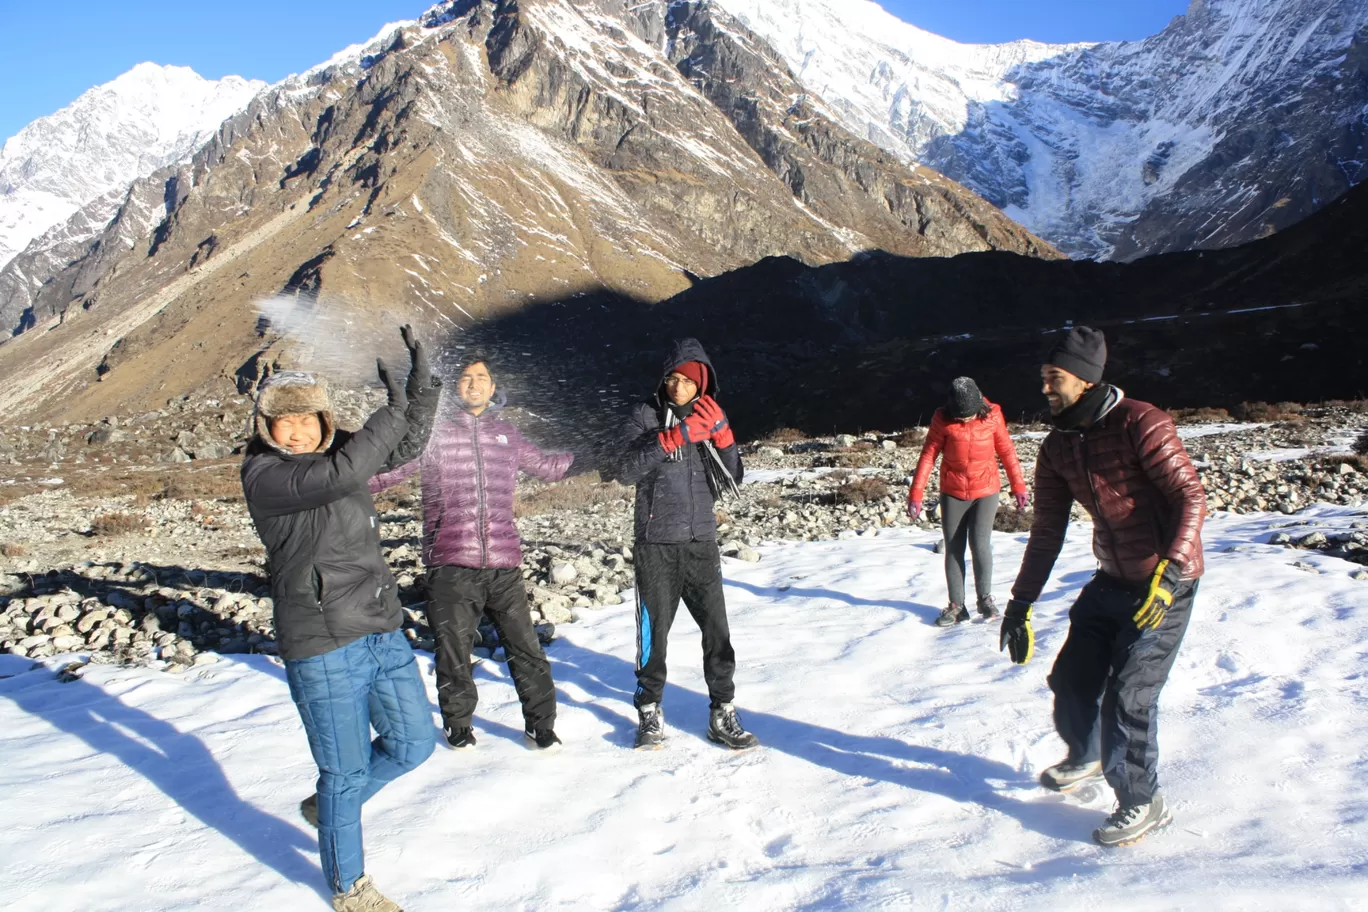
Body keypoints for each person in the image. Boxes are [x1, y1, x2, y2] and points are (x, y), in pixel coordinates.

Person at [240, 327, 440, 912]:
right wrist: (390, 411)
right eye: (286, 420)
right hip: (322, 643)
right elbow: (346, 476)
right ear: (266, 427)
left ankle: (327, 808)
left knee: (413, 744)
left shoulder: (338, 449)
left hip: (380, 625)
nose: (298, 430)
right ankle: (349, 887)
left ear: (325, 419)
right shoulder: (265, 475)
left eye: (309, 418)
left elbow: (399, 450)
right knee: (345, 771)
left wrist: (419, 398)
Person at [998, 326, 1205, 848]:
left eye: (1055, 378)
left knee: (1130, 694)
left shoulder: (1142, 422)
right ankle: (1086, 754)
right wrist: (1020, 601)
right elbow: (1047, 531)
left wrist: (1172, 571)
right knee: (1071, 677)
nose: (1045, 388)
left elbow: (1190, 496)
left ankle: (1142, 800)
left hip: (1164, 586)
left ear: (1086, 381)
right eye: (1043, 377)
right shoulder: (1057, 446)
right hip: (1111, 578)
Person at [370, 355, 572, 752]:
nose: (474, 383)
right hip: (450, 563)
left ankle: (541, 725)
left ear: (493, 388)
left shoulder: (508, 436)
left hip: (504, 564)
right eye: (465, 377)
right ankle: (458, 725)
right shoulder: (434, 434)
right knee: (453, 651)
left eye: (482, 377)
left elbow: (549, 467)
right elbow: (390, 474)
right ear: (454, 387)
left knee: (526, 648)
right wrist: (340, 479)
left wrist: (600, 450)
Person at [616, 338, 756, 751]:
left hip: (701, 542)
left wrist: (725, 437)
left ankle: (722, 711)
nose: (678, 387)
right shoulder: (644, 415)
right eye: (672, 379)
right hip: (656, 542)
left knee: (717, 632)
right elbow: (623, 469)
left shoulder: (710, 415)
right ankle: (649, 711)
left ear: (701, 384)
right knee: (653, 635)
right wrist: (670, 438)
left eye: (686, 381)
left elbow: (734, 475)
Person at [907, 376, 1029, 626]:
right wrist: (916, 494)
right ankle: (956, 606)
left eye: (969, 415)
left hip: (986, 489)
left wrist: (1018, 485)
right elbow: (928, 455)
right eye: (960, 417)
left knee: (980, 544)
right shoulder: (942, 419)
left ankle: (985, 599)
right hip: (953, 491)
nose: (964, 420)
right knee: (953, 548)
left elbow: (1006, 450)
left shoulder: (993, 415)